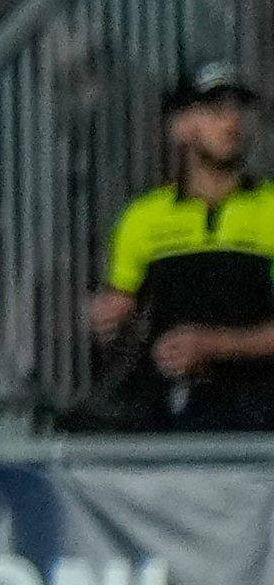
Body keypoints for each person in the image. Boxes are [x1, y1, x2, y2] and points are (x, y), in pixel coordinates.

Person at [98, 70, 274, 427]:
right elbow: (116, 307)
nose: (232, 120)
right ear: (181, 125)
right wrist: (104, 317)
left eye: (239, 107)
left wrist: (214, 344)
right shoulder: (143, 217)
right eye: (214, 108)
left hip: (259, 410)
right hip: (171, 408)